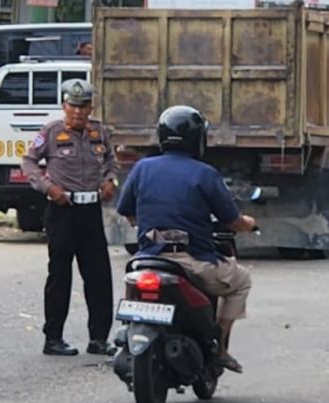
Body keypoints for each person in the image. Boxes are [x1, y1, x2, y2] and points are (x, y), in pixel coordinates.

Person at [116, 105, 255, 373]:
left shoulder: (142, 168)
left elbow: (128, 212)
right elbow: (232, 220)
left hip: (147, 259)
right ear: (198, 139)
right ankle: (221, 348)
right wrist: (248, 224)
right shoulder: (205, 173)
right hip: (193, 262)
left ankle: (127, 334)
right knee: (241, 281)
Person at [21, 79, 118, 357]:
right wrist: (48, 188)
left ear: (91, 106)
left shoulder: (100, 132)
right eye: (72, 105)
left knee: (98, 275)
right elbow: (28, 162)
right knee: (60, 275)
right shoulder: (50, 132)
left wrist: (111, 180)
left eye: (83, 105)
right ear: (64, 105)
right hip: (62, 210)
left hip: (91, 211)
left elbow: (111, 161)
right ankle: (53, 338)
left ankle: (99, 339)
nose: (77, 111)